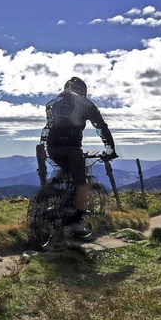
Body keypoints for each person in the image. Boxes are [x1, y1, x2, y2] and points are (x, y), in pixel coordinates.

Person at [39, 77, 118, 236]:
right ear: (83, 90)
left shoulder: (54, 103)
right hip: (72, 147)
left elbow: (49, 126)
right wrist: (110, 149)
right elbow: (101, 127)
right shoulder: (86, 104)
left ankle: (52, 187)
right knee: (82, 184)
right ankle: (77, 222)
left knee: (65, 168)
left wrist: (43, 144)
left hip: (52, 147)